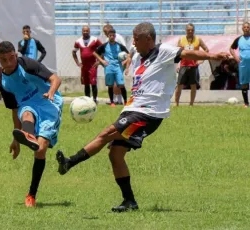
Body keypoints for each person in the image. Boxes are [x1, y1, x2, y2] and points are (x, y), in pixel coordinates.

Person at [56, 22, 230, 212]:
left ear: (148, 39)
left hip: (148, 113)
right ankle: (129, 201)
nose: (134, 42)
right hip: (132, 109)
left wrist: (212, 55)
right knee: (115, 154)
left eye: (136, 38)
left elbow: (188, 53)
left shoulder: (163, 51)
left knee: (107, 132)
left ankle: (69, 162)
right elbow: (132, 59)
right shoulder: (138, 55)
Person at [0, 41, 63, 207]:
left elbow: (55, 78)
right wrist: (15, 138)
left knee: (40, 151)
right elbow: (14, 109)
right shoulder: (3, 82)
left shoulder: (27, 64)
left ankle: (32, 193)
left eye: (11, 58)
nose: (9, 62)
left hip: (48, 103)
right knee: (26, 112)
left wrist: (51, 92)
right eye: (4, 60)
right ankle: (27, 135)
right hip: (27, 106)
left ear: (15, 55)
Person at [174, 23, 209, 106]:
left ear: (194, 30)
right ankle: (176, 103)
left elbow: (206, 50)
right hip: (183, 65)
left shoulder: (198, 40)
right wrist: (177, 65)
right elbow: (176, 53)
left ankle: (191, 103)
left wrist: (201, 61)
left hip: (194, 66)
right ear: (186, 30)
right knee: (179, 85)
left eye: (192, 30)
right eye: (188, 30)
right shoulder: (181, 40)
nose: (190, 31)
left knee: (193, 85)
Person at [93, 28, 129, 107]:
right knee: (110, 85)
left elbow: (128, 54)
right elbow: (95, 53)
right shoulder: (104, 46)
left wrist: (125, 62)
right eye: (110, 35)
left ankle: (126, 102)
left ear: (115, 36)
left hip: (118, 67)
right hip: (109, 67)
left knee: (121, 84)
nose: (112, 37)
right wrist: (102, 61)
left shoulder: (119, 46)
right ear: (108, 36)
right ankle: (112, 102)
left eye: (113, 35)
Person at [73, 26, 102, 103]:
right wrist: (78, 63)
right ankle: (87, 100)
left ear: (89, 31)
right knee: (86, 84)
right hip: (84, 66)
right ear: (82, 31)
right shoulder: (78, 41)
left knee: (93, 83)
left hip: (93, 65)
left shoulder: (95, 40)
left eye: (87, 31)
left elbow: (103, 50)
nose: (85, 32)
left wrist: (99, 61)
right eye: (84, 31)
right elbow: (74, 52)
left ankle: (95, 99)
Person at [103, 24, 127, 105]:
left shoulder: (118, 37)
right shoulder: (107, 39)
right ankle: (115, 99)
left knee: (118, 81)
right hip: (111, 64)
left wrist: (125, 60)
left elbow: (124, 49)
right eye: (104, 32)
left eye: (106, 32)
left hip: (119, 62)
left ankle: (119, 100)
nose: (105, 34)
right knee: (113, 82)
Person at [230, 22, 250, 107]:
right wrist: (236, 57)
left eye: (248, 27)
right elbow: (231, 48)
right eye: (245, 27)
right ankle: (246, 103)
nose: (246, 28)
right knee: (244, 83)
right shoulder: (239, 39)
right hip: (243, 65)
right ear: (242, 29)